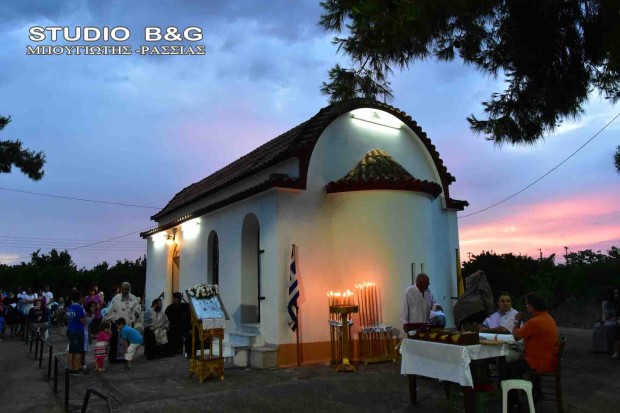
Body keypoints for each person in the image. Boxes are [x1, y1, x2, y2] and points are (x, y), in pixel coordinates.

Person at [509, 292, 559, 376]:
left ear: (531, 306)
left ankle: (509, 385)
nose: (526, 307)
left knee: (508, 367)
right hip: (549, 359)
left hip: (538, 362)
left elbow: (515, 336)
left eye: (526, 304)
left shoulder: (535, 322)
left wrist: (517, 320)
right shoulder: (547, 318)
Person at [103, 282, 141, 363]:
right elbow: (110, 309)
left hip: (128, 324)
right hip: (117, 324)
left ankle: (126, 358)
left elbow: (137, 309)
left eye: (126, 289)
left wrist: (137, 313)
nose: (124, 291)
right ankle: (114, 358)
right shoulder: (116, 298)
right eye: (123, 289)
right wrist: (107, 318)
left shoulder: (133, 298)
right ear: (121, 289)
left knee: (128, 341)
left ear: (129, 289)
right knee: (115, 342)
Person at [592, 287, 619, 354]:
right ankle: (598, 348)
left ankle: (609, 348)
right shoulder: (606, 303)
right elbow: (604, 314)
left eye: (617, 293)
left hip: (615, 320)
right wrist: (603, 320)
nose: (617, 295)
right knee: (597, 327)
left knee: (608, 326)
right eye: (615, 293)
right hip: (607, 320)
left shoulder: (618, 304)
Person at [66, 291, 86, 374]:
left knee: (72, 350)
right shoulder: (79, 308)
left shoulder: (69, 307)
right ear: (80, 298)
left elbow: (68, 318)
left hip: (70, 329)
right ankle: (77, 368)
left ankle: (71, 368)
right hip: (78, 330)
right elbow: (82, 320)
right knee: (78, 350)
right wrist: (86, 319)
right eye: (82, 297)